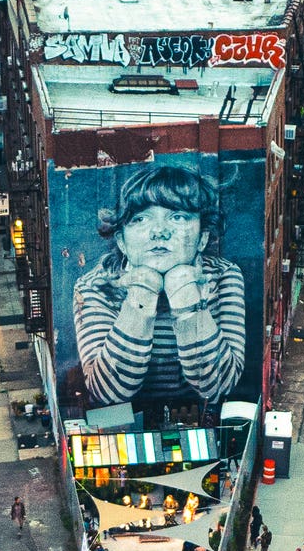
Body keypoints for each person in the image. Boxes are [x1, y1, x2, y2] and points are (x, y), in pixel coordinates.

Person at [68, 159, 251, 406]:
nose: (159, 231)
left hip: (196, 418)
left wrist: (185, 295)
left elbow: (218, 386)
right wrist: (142, 292)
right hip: (125, 425)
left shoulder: (224, 276)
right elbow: (107, 392)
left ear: (202, 239)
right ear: (121, 241)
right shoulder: (94, 287)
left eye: (177, 217)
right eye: (141, 219)